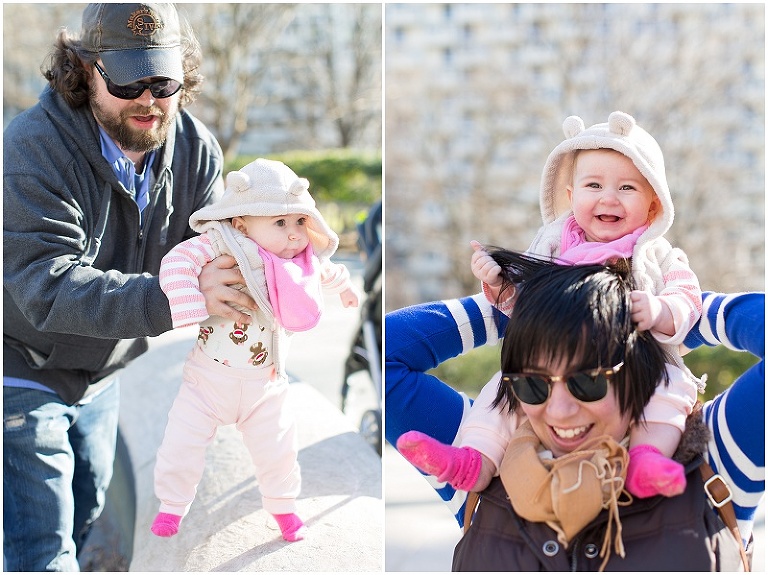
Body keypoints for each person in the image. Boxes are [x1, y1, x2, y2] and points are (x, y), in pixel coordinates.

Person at [3, 4, 249, 571]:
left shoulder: (195, 149)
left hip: (105, 371)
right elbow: (47, 285)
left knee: (90, 520)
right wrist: (176, 299)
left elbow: (223, 251)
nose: (148, 98)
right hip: (19, 363)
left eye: (162, 81)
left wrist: (282, 247)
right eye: (127, 80)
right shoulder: (31, 150)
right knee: (42, 549)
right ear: (84, 69)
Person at [385, 250, 764, 570]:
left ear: (637, 369)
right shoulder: (485, 462)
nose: (560, 411)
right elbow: (387, 350)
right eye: (532, 384)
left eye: (588, 381)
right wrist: (530, 309)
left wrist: (677, 315)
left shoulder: (714, 457)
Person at [403, 112, 703, 500]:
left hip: (636, 360)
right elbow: (524, 304)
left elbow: (687, 293)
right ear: (570, 196)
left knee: (672, 389)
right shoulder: (552, 247)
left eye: (627, 187)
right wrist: (498, 283)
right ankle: (473, 461)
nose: (608, 197)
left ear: (652, 205)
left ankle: (646, 458)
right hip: (549, 366)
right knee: (503, 391)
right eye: (593, 184)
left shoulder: (655, 253)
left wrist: (662, 312)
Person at [151, 158, 359, 541]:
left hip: (266, 383)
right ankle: (172, 506)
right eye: (279, 223)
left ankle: (283, 507)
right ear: (243, 222)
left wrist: (344, 287)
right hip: (207, 381)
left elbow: (326, 272)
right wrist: (188, 304)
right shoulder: (220, 244)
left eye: (299, 221)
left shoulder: (296, 263)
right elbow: (176, 260)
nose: (295, 234)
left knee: (278, 450)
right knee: (181, 443)